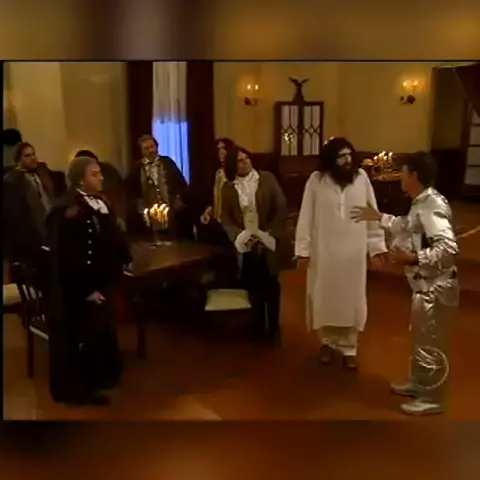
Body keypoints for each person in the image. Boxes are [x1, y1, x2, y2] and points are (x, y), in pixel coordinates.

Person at [351, 152, 459, 415]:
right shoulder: (421, 202)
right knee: (422, 338)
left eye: (404, 171)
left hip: (436, 286)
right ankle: (420, 384)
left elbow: (447, 249)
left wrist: (413, 257)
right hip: (425, 286)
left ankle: (432, 398)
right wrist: (379, 217)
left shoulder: (431, 205)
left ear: (415, 176)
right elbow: (408, 226)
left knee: (431, 341)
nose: (401, 176)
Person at [295, 137, 388, 370]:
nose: (347, 160)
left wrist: (376, 247)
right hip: (324, 252)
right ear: (330, 160)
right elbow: (306, 216)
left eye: (349, 155)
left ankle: (349, 348)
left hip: (353, 254)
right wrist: (303, 250)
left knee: (351, 300)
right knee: (325, 298)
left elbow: (372, 214)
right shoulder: (316, 181)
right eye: (341, 156)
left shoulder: (361, 179)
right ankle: (327, 342)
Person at [46, 156, 132, 406]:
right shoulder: (67, 210)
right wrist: (87, 289)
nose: (101, 178)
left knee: (102, 331)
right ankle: (81, 390)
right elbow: (71, 255)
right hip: (77, 287)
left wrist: (123, 259)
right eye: (94, 174)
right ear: (79, 180)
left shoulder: (101, 202)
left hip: (102, 280)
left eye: (99, 173)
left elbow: (110, 237)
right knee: (83, 337)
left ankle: (103, 377)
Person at [221, 145, 290, 344]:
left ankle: (274, 327)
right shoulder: (228, 187)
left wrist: (269, 233)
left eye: (246, 158)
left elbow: (281, 206)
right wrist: (240, 236)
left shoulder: (266, 178)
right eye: (240, 161)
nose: (245, 163)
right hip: (247, 240)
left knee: (271, 283)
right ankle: (257, 324)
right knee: (253, 284)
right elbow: (226, 218)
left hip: (267, 237)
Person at [127, 134, 193, 239]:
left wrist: (178, 199)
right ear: (141, 151)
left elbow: (181, 183)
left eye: (152, 146)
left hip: (170, 212)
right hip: (149, 215)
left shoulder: (167, 162)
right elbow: (131, 191)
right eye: (146, 148)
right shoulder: (136, 168)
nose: (151, 150)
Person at [3, 142, 56, 268]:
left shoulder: (41, 175)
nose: (33, 158)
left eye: (33, 154)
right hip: (31, 237)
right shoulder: (13, 180)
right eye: (27, 156)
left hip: (49, 230)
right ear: (18, 160)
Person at [198, 137, 235, 246]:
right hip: (217, 222)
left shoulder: (235, 172)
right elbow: (215, 198)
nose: (221, 152)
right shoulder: (217, 173)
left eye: (224, 148)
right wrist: (208, 211)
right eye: (218, 149)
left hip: (232, 222)